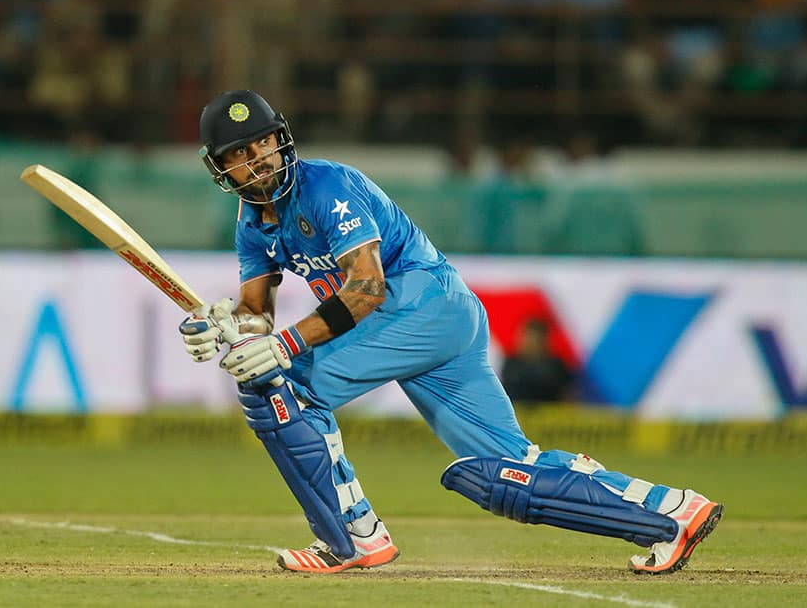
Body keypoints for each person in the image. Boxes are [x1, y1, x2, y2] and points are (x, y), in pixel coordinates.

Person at [178, 89, 722, 575]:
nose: (259, 161)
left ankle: (352, 539)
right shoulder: (253, 225)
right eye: (241, 155)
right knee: (509, 470)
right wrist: (226, 326)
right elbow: (256, 313)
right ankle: (671, 511)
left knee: (283, 383)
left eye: (264, 144)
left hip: (420, 304)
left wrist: (281, 345)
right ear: (221, 168)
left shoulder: (328, 186)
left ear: (282, 139)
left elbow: (366, 289)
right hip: (439, 317)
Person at [501, 318, 575, 404]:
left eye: (535, 339)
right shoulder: (511, 364)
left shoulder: (556, 366)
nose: (531, 344)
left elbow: (567, 395)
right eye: (527, 338)